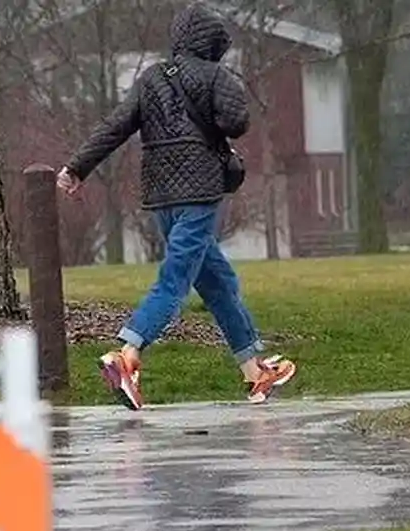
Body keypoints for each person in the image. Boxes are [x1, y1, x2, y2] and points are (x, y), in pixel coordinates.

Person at [56, 2, 295, 411]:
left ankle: (255, 372)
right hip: (199, 195)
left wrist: (77, 167)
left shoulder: (150, 78)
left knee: (219, 282)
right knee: (175, 282)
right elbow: (237, 121)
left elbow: (115, 126)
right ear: (212, 44)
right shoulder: (217, 76)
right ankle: (127, 355)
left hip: (161, 198)